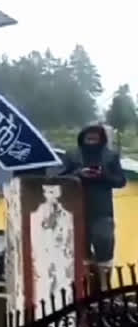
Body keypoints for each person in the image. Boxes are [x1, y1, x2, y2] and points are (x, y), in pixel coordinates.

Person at [61, 123, 126, 287]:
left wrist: (103, 175)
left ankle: (102, 290)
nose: (92, 141)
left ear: (101, 139)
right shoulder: (72, 156)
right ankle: (82, 292)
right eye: (89, 138)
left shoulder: (111, 156)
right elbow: (59, 178)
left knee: (104, 245)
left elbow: (121, 181)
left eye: (95, 138)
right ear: (82, 138)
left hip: (102, 211)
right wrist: (78, 174)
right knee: (81, 252)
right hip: (77, 210)